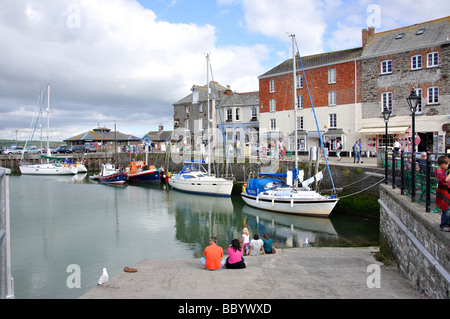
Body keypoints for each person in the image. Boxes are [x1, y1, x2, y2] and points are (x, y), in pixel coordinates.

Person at [434, 156, 450, 232]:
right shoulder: (439, 172)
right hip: (443, 192)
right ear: (443, 164)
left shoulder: (441, 171)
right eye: (447, 165)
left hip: (445, 192)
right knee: (446, 208)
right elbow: (445, 179)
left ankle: (447, 223)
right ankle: (444, 225)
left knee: (448, 208)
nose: (448, 166)